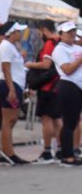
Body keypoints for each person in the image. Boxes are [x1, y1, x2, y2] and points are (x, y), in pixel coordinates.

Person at [0, 22, 31, 165]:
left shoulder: (11, 46)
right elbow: (6, 68)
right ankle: (8, 153)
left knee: (12, 120)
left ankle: (7, 151)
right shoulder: (6, 46)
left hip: (15, 85)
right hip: (10, 85)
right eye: (18, 31)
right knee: (8, 120)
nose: (20, 34)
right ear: (12, 33)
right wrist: (11, 89)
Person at [49, 22, 82, 166]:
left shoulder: (77, 47)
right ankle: (67, 156)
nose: (72, 34)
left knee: (74, 121)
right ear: (61, 35)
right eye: (69, 32)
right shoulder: (59, 49)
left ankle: (70, 152)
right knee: (69, 122)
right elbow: (67, 69)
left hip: (78, 86)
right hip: (69, 85)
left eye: (74, 31)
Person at [30, 20, 62, 162]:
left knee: (46, 119)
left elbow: (46, 64)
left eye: (39, 32)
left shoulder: (50, 43)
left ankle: (47, 152)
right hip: (58, 85)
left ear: (43, 29)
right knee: (57, 119)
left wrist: (30, 64)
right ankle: (60, 150)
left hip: (47, 86)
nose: (39, 35)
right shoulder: (61, 42)